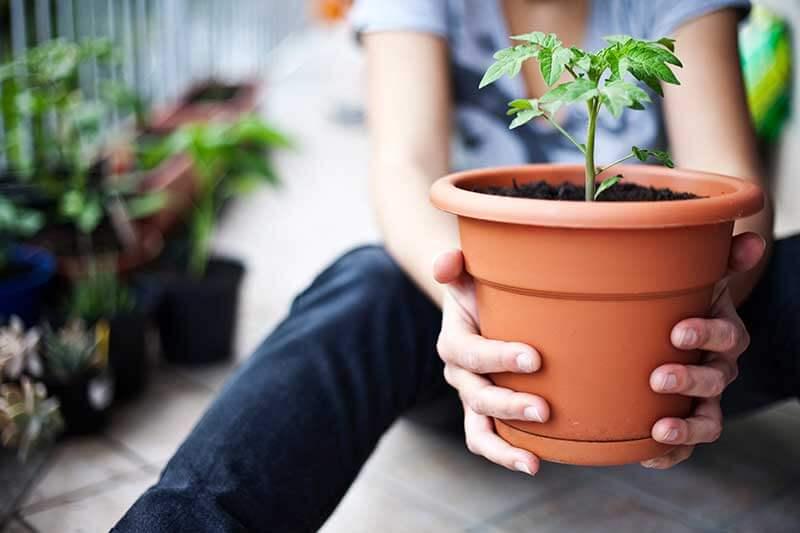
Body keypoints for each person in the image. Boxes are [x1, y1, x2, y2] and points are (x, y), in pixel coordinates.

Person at [114, 1, 798, 531]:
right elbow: (405, 167)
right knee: (367, 283)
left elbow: (730, 188)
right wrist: (466, 305)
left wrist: (714, 300)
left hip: (671, 349)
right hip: (479, 356)